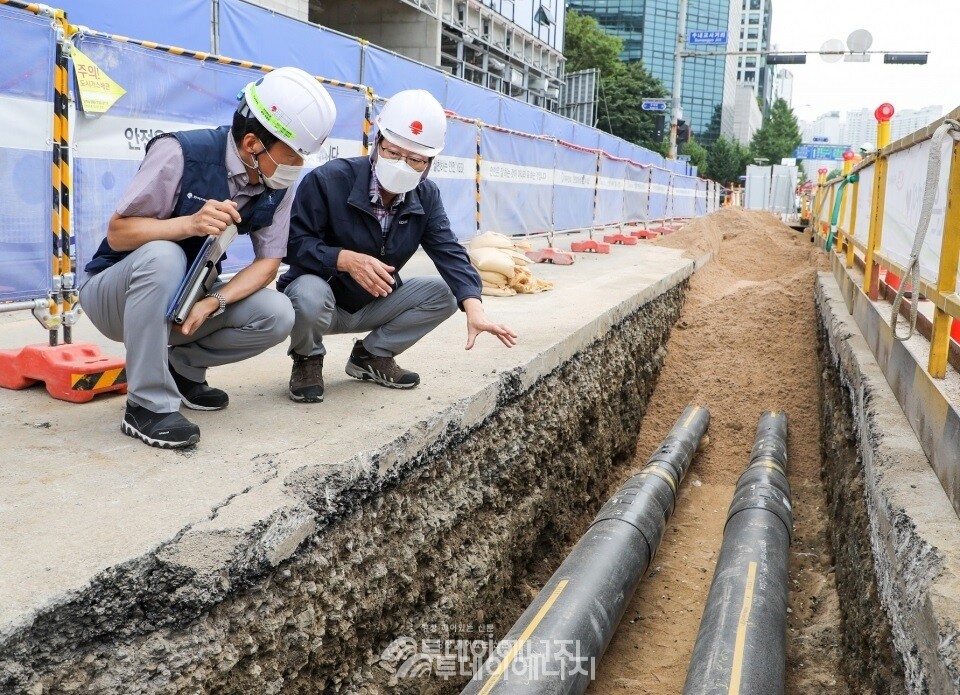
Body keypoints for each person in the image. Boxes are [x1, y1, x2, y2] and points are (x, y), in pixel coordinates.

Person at [80, 67, 337, 448]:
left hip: (185, 295)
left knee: (277, 312)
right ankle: (145, 405)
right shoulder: (180, 153)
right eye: (293, 154)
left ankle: (181, 369)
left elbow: (268, 262)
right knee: (165, 256)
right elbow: (119, 232)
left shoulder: (277, 187)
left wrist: (213, 302)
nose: (297, 166)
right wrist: (189, 224)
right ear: (252, 143)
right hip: (114, 294)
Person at [279, 89, 516, 403]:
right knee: (307, 291)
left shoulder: (426, 196)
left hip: (374, 300)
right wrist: (344, 259)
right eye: (393, 152)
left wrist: (474, 306)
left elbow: (449, 252)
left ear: (429, 163)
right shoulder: (329, 180)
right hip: (322, 301)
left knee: (445, 293)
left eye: (416, 159)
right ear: (377, 141)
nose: (403, 164)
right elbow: (293, 244)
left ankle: (372, 356)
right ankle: (308, 358)